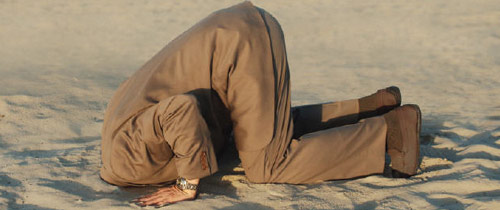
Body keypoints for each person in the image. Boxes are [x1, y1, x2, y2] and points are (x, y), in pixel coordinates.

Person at [99, 1, 421, 207]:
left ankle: (391, 135)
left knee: (266, 164)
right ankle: (375, 107)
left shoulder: (128, 161)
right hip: (234, 34)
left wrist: (186, 184)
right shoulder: (123, 145)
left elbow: (179, 109)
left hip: (238, 46)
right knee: (264, 133)